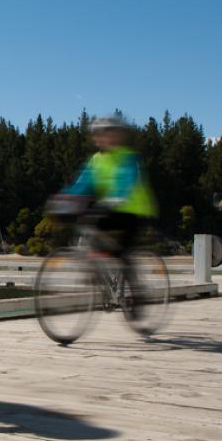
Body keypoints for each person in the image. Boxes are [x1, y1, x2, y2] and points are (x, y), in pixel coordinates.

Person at [59, 115, 158, 304]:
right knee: (88, 230)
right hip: (110, 210)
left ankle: (136, 294)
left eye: (109, 134)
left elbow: (127, 180)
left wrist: (116, 197)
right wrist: (65, 198)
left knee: (123, 252)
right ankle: (99, 272)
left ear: (119, 136)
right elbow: (81, 184)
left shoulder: (129, 158)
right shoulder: (96, 160)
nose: (104, 138)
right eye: (99, 135)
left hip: (135, 211)